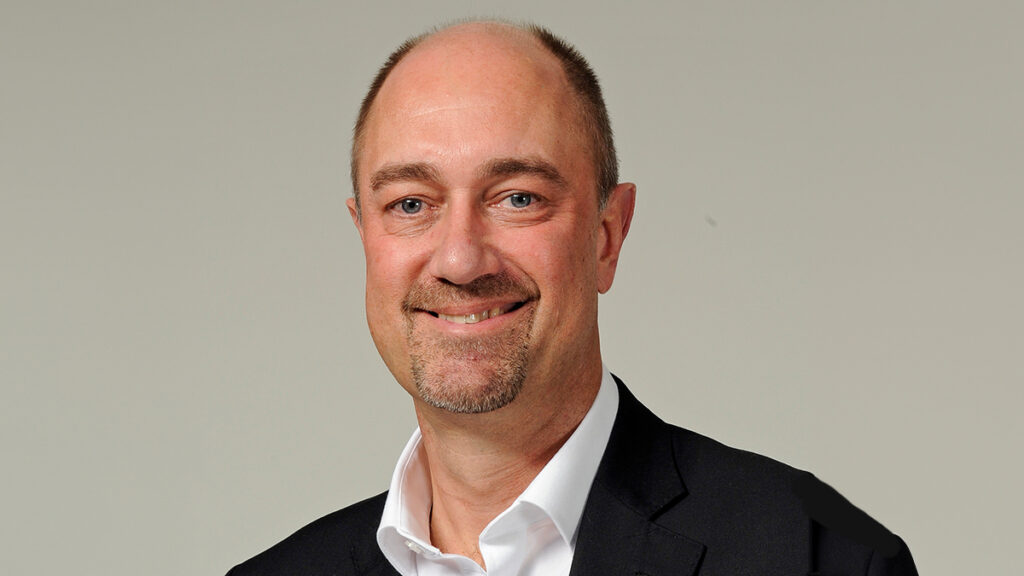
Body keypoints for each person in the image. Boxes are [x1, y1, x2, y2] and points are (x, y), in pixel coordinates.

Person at [228, 20, 918, 576]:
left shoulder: (821, 558)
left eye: (518, 198)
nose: (460, 259)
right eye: (411, 203)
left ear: (607, 236)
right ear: (364, 236)